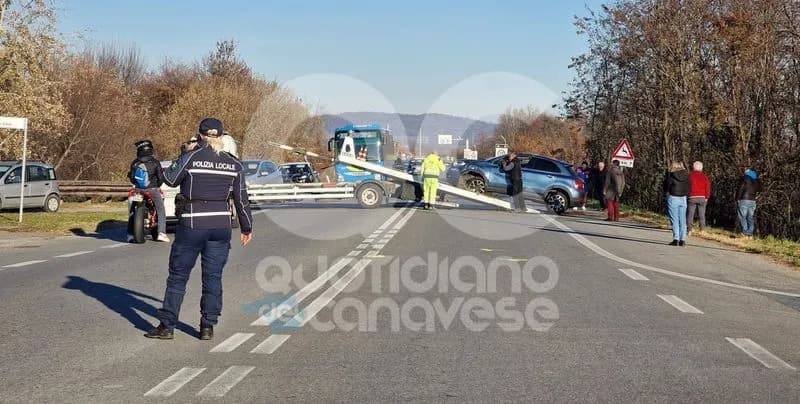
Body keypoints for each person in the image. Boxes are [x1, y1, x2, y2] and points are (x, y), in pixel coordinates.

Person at [145, 118, 253, 341]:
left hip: (193, 223)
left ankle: (167, 326)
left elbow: (169, 179)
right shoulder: (234, 164)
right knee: (213, 276)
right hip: (221, 225)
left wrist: (185, 153)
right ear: (222, 136)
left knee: (178, 276)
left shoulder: (192, 157)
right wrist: (246, 227)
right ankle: (207, 326)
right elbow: (242, 199)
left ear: (200, 135)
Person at [127, 140, 169, 243]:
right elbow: (160, 179)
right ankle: (161, 233)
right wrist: (156, 185)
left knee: (133, 210)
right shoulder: (155, 162)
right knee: (160, 208)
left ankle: (130, 234)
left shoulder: (135, 162)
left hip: (138, 190)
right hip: (152, 190)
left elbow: (132, 178)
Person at [663, 161, 690, 246]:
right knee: (683, 220)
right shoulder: (687, 176)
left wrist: (666, 193)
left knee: (674, 219)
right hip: (683, 198)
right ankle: (683, 240)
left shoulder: (671, 176)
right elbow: (689, 186)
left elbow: (666, 186)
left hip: (673, 197)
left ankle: (676, 239)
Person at [687, 161, 711, 234]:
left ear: (693, 167)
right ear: (701, 168)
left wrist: (687, 195)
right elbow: (707, 187)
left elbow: (687, 187)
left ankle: (689, 229)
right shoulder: (704, 177)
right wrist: (707, 197)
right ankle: (702, 229)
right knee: (702, 214)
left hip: (692, 196)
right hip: (702, 197)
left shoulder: (689, 176)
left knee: (690, 214)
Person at [737, 168, 761, 238]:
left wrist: (738, 198)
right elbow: (760, 190)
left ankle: (745, 232)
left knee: (742, 216)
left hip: (744, 199)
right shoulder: (757, 180)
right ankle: (750, 233)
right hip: (753, 201)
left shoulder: (744, 178)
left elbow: (740, 188)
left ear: (746, 172)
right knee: (750, 217)